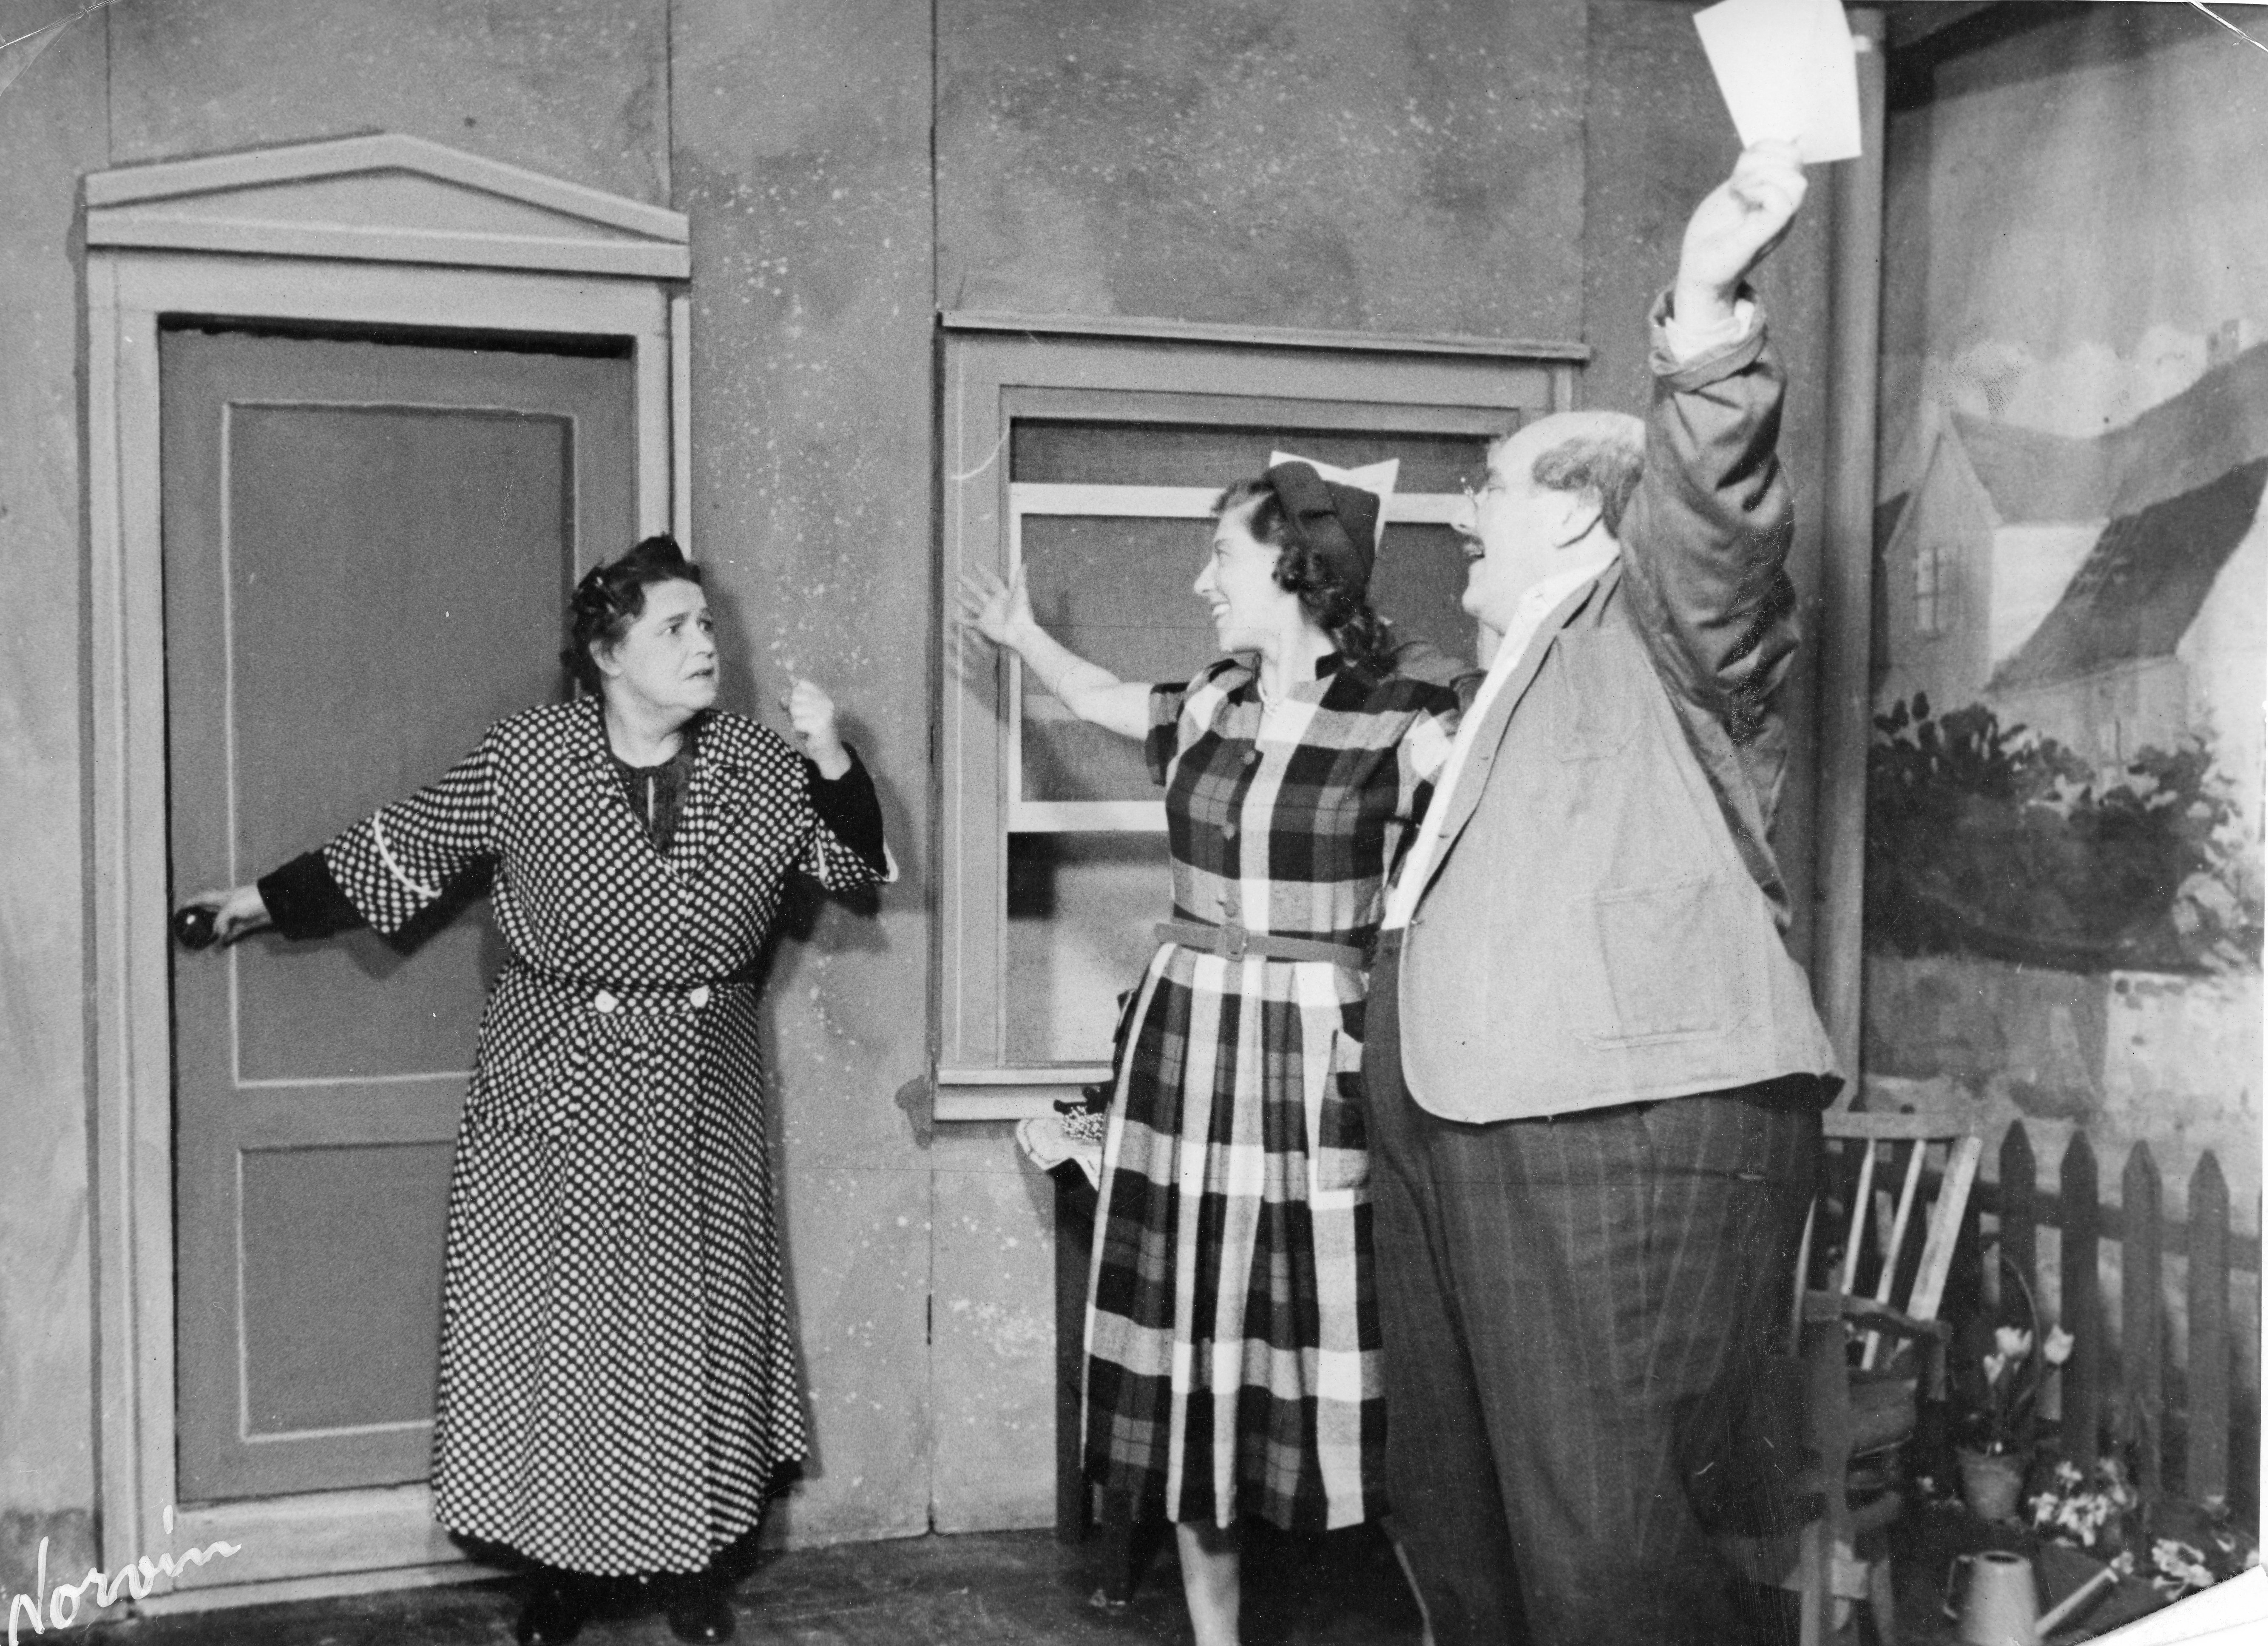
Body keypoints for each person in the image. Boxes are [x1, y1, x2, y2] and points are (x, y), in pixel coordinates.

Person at [178, 536, 891, 1646]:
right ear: (608, 653)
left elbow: (855, 873)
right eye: (675, 628)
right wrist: (253, 904)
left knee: (693, 1328)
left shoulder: (760, 765)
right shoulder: (528, 760)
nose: (706, 646)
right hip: (554, 1085)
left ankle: (696, 1566)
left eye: (708, 625)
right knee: (562, 1334)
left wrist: (836, 762)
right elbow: (395, 848)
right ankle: (565, 1574)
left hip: (703, 1091)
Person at [1364, 142, 1843, 1646]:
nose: (1460, 511)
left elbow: (1715, 516)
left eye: (1489, 487)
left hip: (1616, 1140)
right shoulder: (1511, 676)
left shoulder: (1663, 627)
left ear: (1582, 517)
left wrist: (1706, 309)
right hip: (1470, 1138)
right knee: (1468, 1538)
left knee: (1612, 1570)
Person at [957, 461, 1461, 1646]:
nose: (1202, 582)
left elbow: (1502, 781)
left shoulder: (1409, 714)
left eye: (1222, 556)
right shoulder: (1212, 704)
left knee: (1342, 1333)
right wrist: (1023, 638)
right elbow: (1098, 698)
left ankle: (1435, 1613)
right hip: (1186, 1041)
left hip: (1318, 1054)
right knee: (1192, 1336)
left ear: (1297, 567)